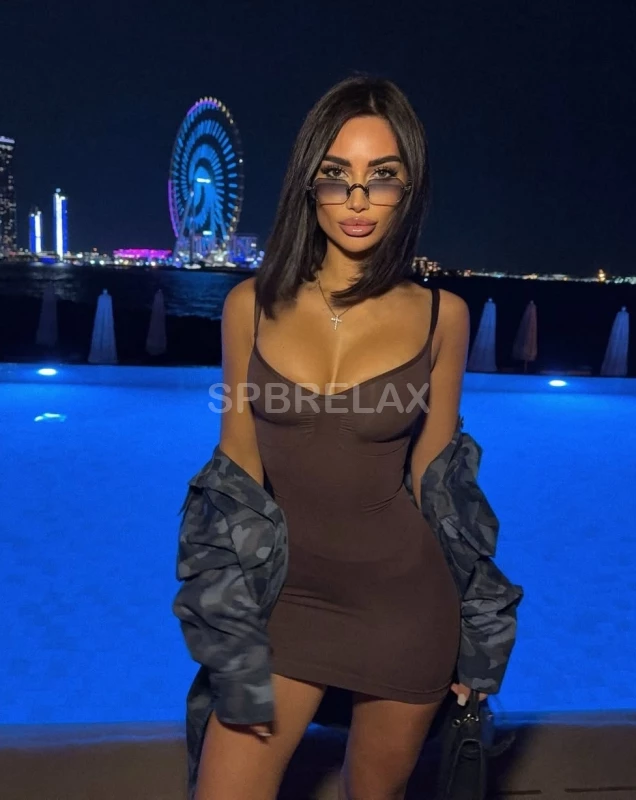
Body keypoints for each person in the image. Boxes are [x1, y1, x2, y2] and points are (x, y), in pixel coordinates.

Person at [196, 75, 482, 800]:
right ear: (309, 183)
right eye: (336, 175)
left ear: (408, 189)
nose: (358, 200)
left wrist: (476, 629)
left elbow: (438, 482)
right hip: (286, 600)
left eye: (381, 177)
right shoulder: (249, 306)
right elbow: (236, 471)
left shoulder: (442, 316)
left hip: (403, 608)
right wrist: (227, 620)